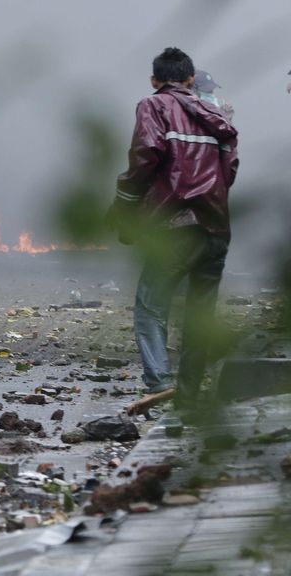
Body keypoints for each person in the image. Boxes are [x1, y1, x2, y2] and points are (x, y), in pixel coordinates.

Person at [110, 47, 238, 415]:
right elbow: (229, 171)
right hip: (215, 228)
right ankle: (190, 390)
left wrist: (124, 207)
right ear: (191, 79)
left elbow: (145, 156)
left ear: (155, 80)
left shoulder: (154, 106)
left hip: (175, 225)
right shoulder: (219, 115)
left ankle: (160, 382)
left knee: (151, 306)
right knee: (201, 312)